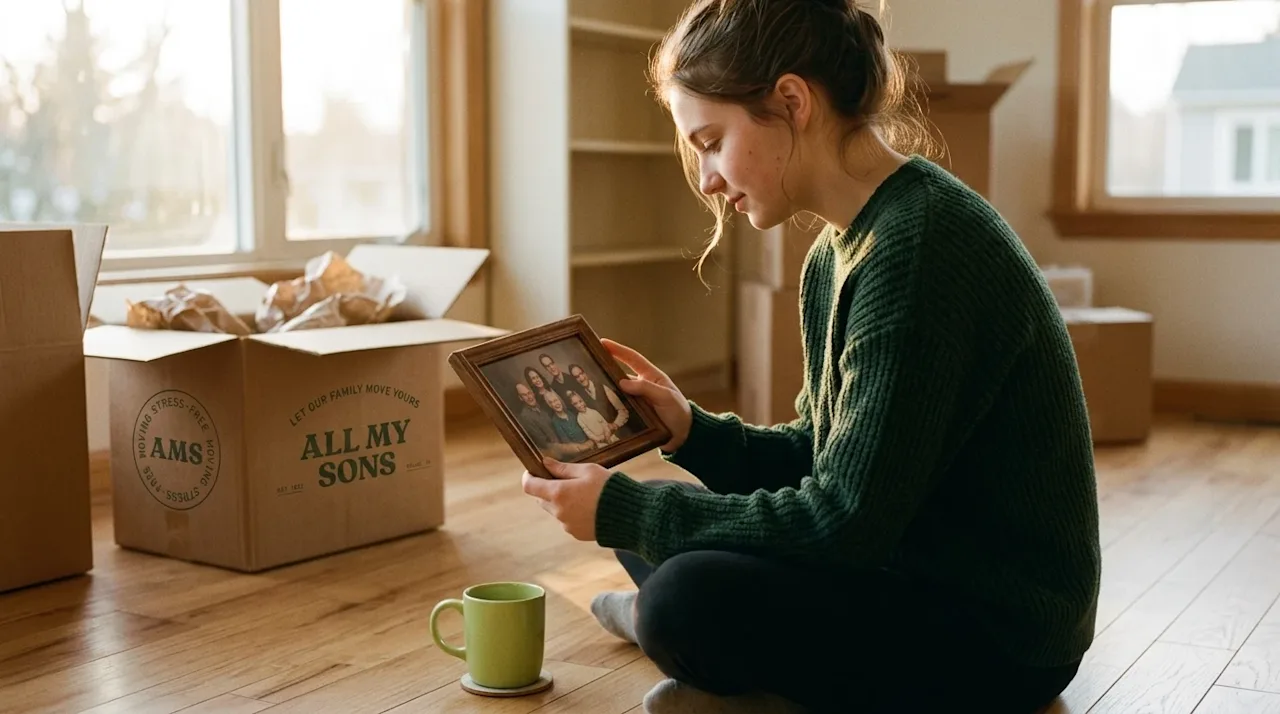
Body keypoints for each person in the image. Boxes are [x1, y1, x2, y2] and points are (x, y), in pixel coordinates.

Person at [520, 0, 1101, 712]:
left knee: (678, 585)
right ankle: (726, 659)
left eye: (710, 140)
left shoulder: (918, 252)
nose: (704, 178)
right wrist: (691, 430)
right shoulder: (838, 248)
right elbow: (827, 452)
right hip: (898, 560)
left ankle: (726, 669)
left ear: (791, 102)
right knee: (653, 526)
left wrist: (634, 513)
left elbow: (843, 520)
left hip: (999, 637)